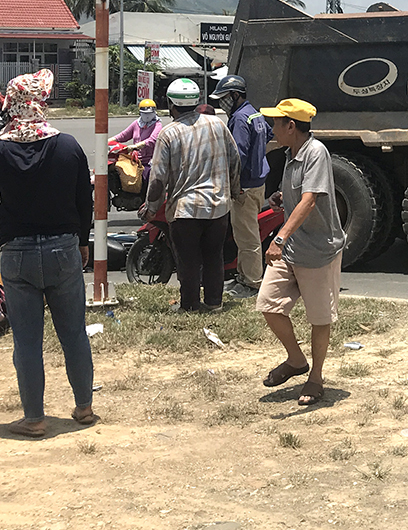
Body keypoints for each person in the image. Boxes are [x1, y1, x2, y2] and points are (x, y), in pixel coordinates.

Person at [0, 69, 96, 438]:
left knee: (27, 341)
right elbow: (84, 201)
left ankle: (34, 418)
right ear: (41, 103)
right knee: (74, 333)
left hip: (18, 254)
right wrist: (83, 241)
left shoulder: (0, 149)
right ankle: (84, 408)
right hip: (63, 248)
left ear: (12, 104)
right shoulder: (68, 146)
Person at [255, 98, 344, 407]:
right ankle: (296, 360)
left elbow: (310, 200)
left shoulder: (315, 153)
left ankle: (316, 378)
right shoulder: (291, 155)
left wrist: (279, 238)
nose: (272, 128)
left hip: (318, 250)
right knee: (268, 303)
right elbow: (298, 198)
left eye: (276, 123)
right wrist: (283, 199)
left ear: (290, 126)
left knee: (319, 318)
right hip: (293, 247)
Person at [146, 78, 241, 313]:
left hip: (185, 209)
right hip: (218, 206)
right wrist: (234, 190)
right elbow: (234, 160)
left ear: (171, 104)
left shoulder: (168, 134)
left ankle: (189, 305)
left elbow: (158, 179)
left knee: (188, 261)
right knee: (213, 256)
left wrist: (150, 207)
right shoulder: (217, 124)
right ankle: (214, 303)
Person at [210, 75, 270, 299]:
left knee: (247, 238)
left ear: (235, 95)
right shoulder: (255, 114)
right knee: (247, 235)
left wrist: (231, 185)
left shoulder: (239, 118)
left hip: (244, 186)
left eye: (224, 97)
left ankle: (252, 283)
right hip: (257, 183)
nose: (222, 103)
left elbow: (237, 155)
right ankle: (244, 277)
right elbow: (268, 138)